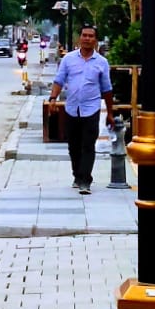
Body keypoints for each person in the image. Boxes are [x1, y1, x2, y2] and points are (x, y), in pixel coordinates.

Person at [47, 24, 113, 195]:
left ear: (95, 40)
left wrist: (110, 113)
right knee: (73, 146)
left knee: (88, 145)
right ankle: (77, 175)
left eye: (91, 36)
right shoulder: (68, 59)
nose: (87, 38)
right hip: (71, 109)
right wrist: (53, 99)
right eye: (84, 35)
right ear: (79, 38)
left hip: (91, 109)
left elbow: (107, 89)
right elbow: (59, 80)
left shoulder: (102, 62)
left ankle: (85, 180)